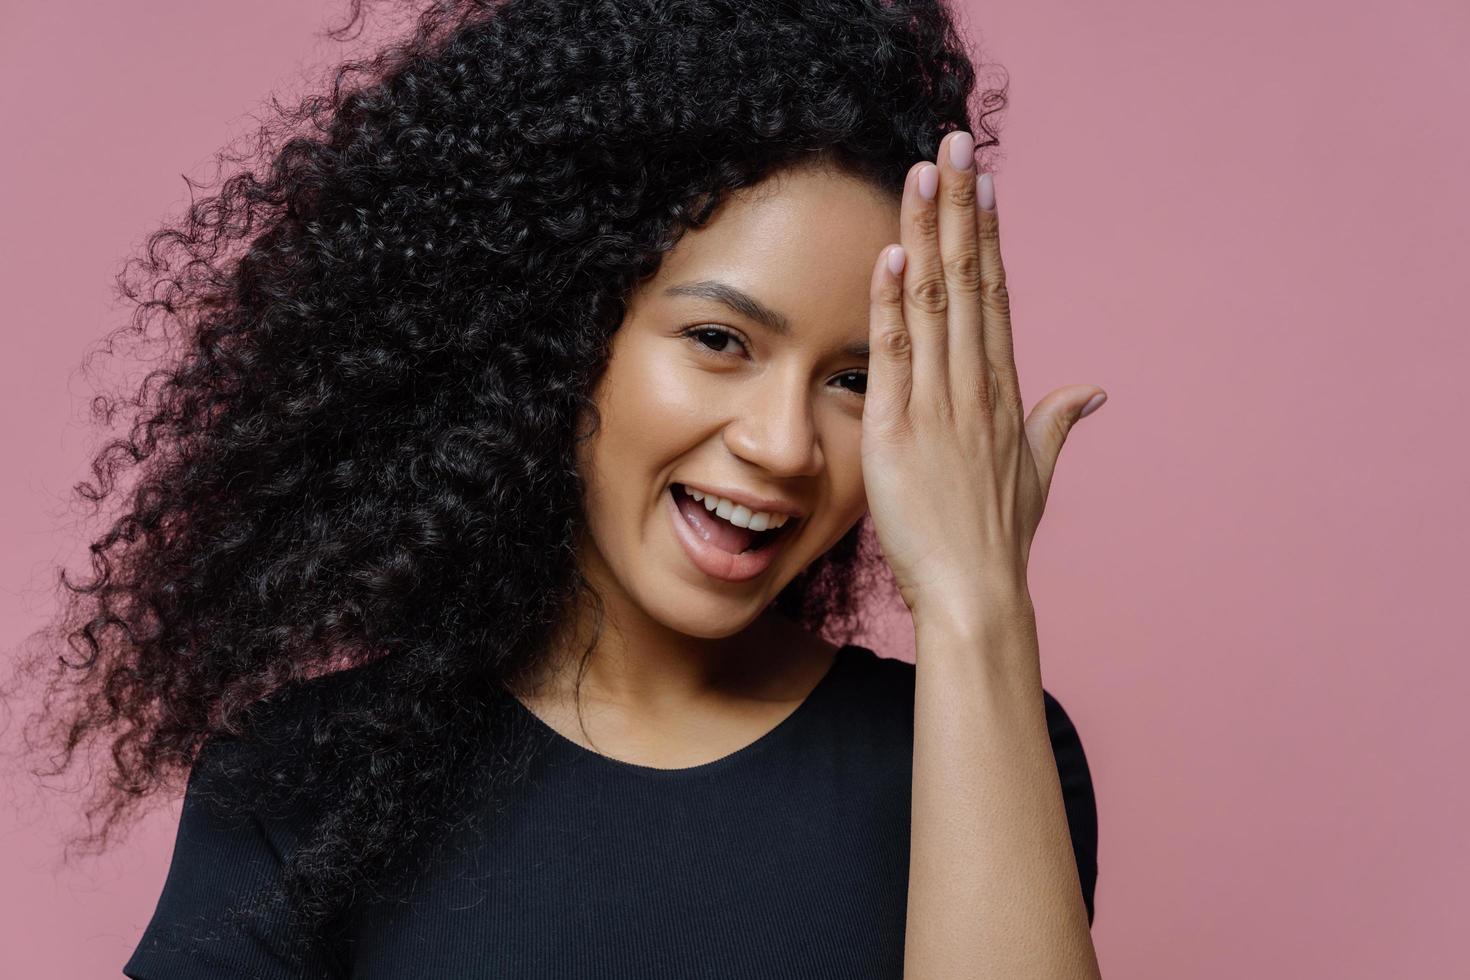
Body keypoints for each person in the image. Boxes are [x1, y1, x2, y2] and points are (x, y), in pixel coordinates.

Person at [6, 1, 1105, 976]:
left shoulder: (980, 746)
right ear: (562, 336)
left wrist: (975, 606)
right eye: (720, 338)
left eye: (857, 378)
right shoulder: (308, 782)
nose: (783, 445)